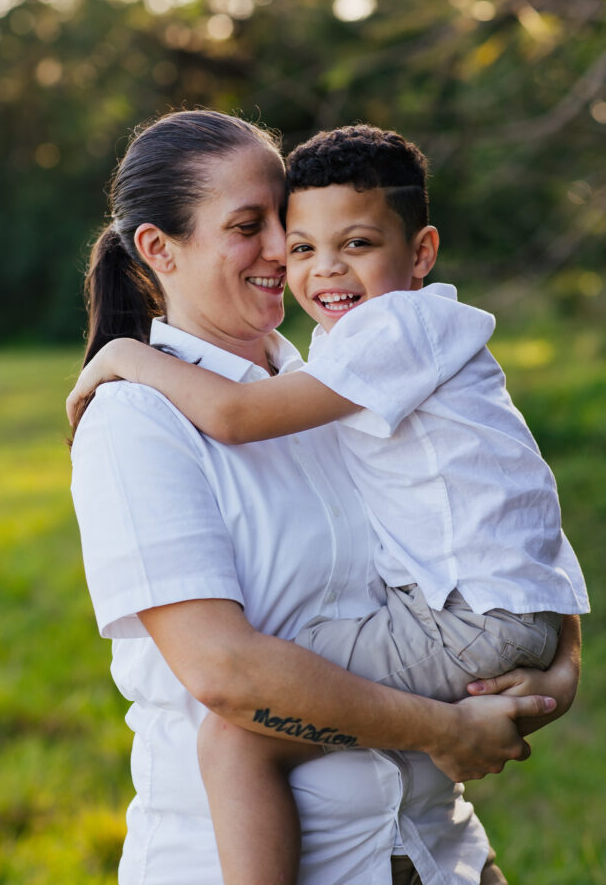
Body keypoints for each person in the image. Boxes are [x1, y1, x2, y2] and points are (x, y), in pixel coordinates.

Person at [69, 110, 581, 885]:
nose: (285, 251)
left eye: (287, 222)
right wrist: (448, 727)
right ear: (157, 248)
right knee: (232, 737)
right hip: (281, 864)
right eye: (253, 226)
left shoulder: (334, 383)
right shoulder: (138, 419)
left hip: (435, 855)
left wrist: (562, 661)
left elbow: (498, 500)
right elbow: (224, 674)